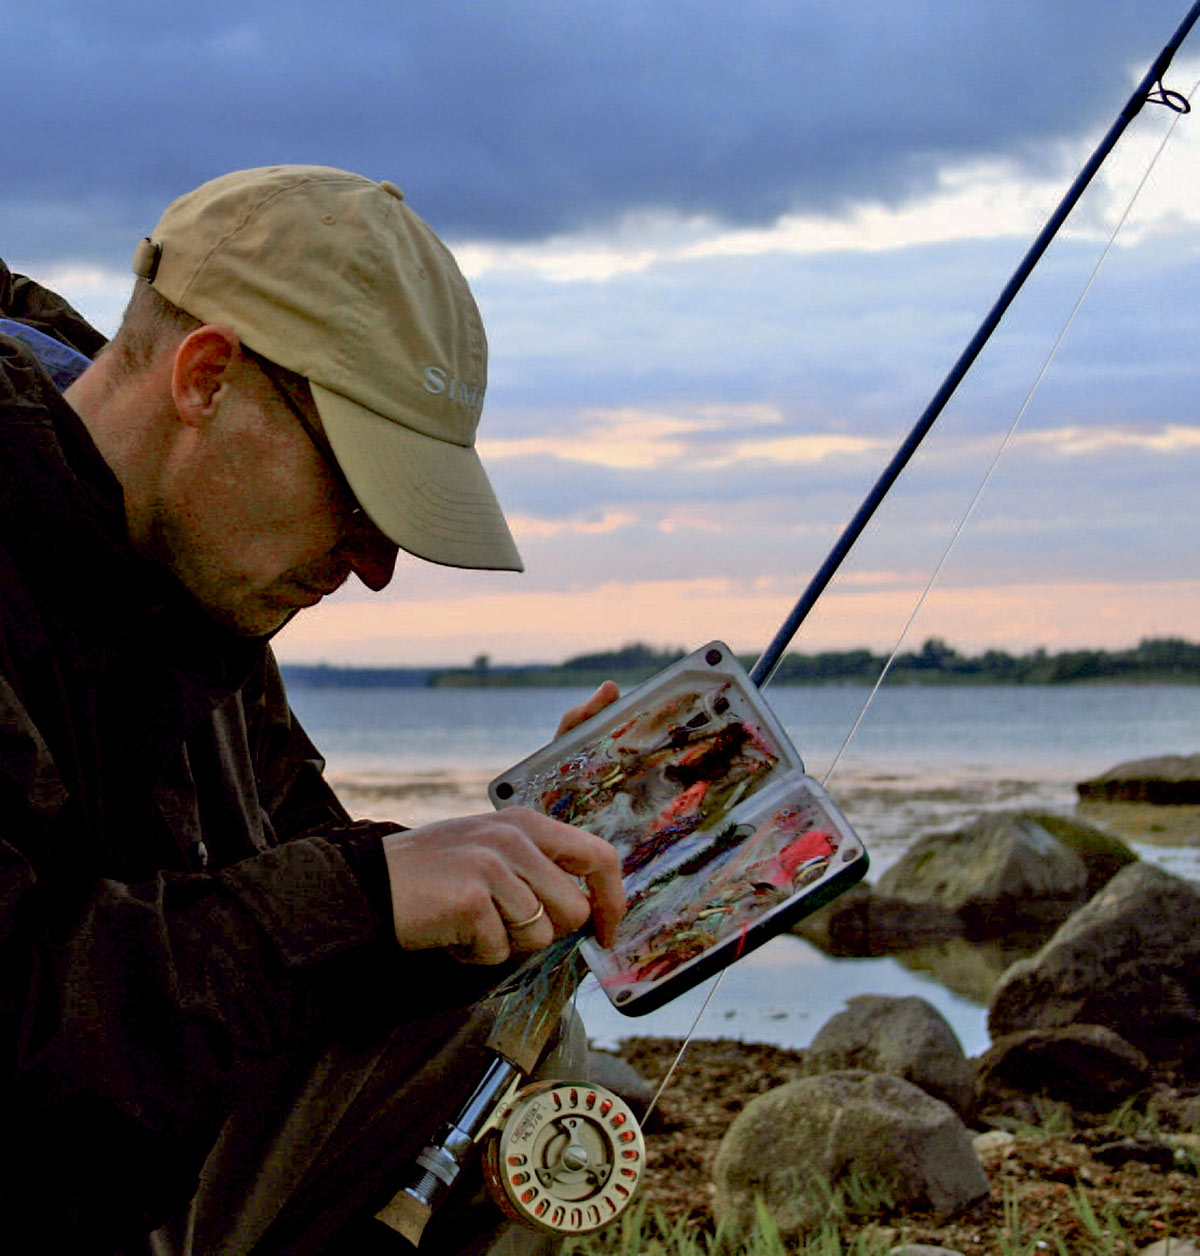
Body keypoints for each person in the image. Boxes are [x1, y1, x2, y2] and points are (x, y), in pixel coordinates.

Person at [0, 165, 625, 1255]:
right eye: (360, 493)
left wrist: (513, 866)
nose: (378, 563)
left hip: (103, 1162)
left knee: (494, 1047)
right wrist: (360, 893)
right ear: (206, 378)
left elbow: (300, 904)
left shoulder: (202, 598)